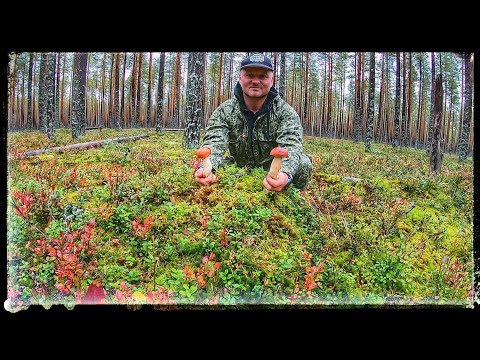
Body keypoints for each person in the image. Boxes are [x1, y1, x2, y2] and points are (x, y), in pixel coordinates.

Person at [194, 52, 312, 192]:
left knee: (304, 164)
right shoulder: (224, 111)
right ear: (240, 78)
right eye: (249, 75)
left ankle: (288, 198)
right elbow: (214, 142)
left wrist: (285, 174)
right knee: (211, 167)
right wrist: (207, 169)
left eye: (262, 76)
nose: (256, 81)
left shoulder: (285, 112)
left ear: (272, 80)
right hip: (238, 167)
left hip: (271, 172)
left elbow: (291, 147)